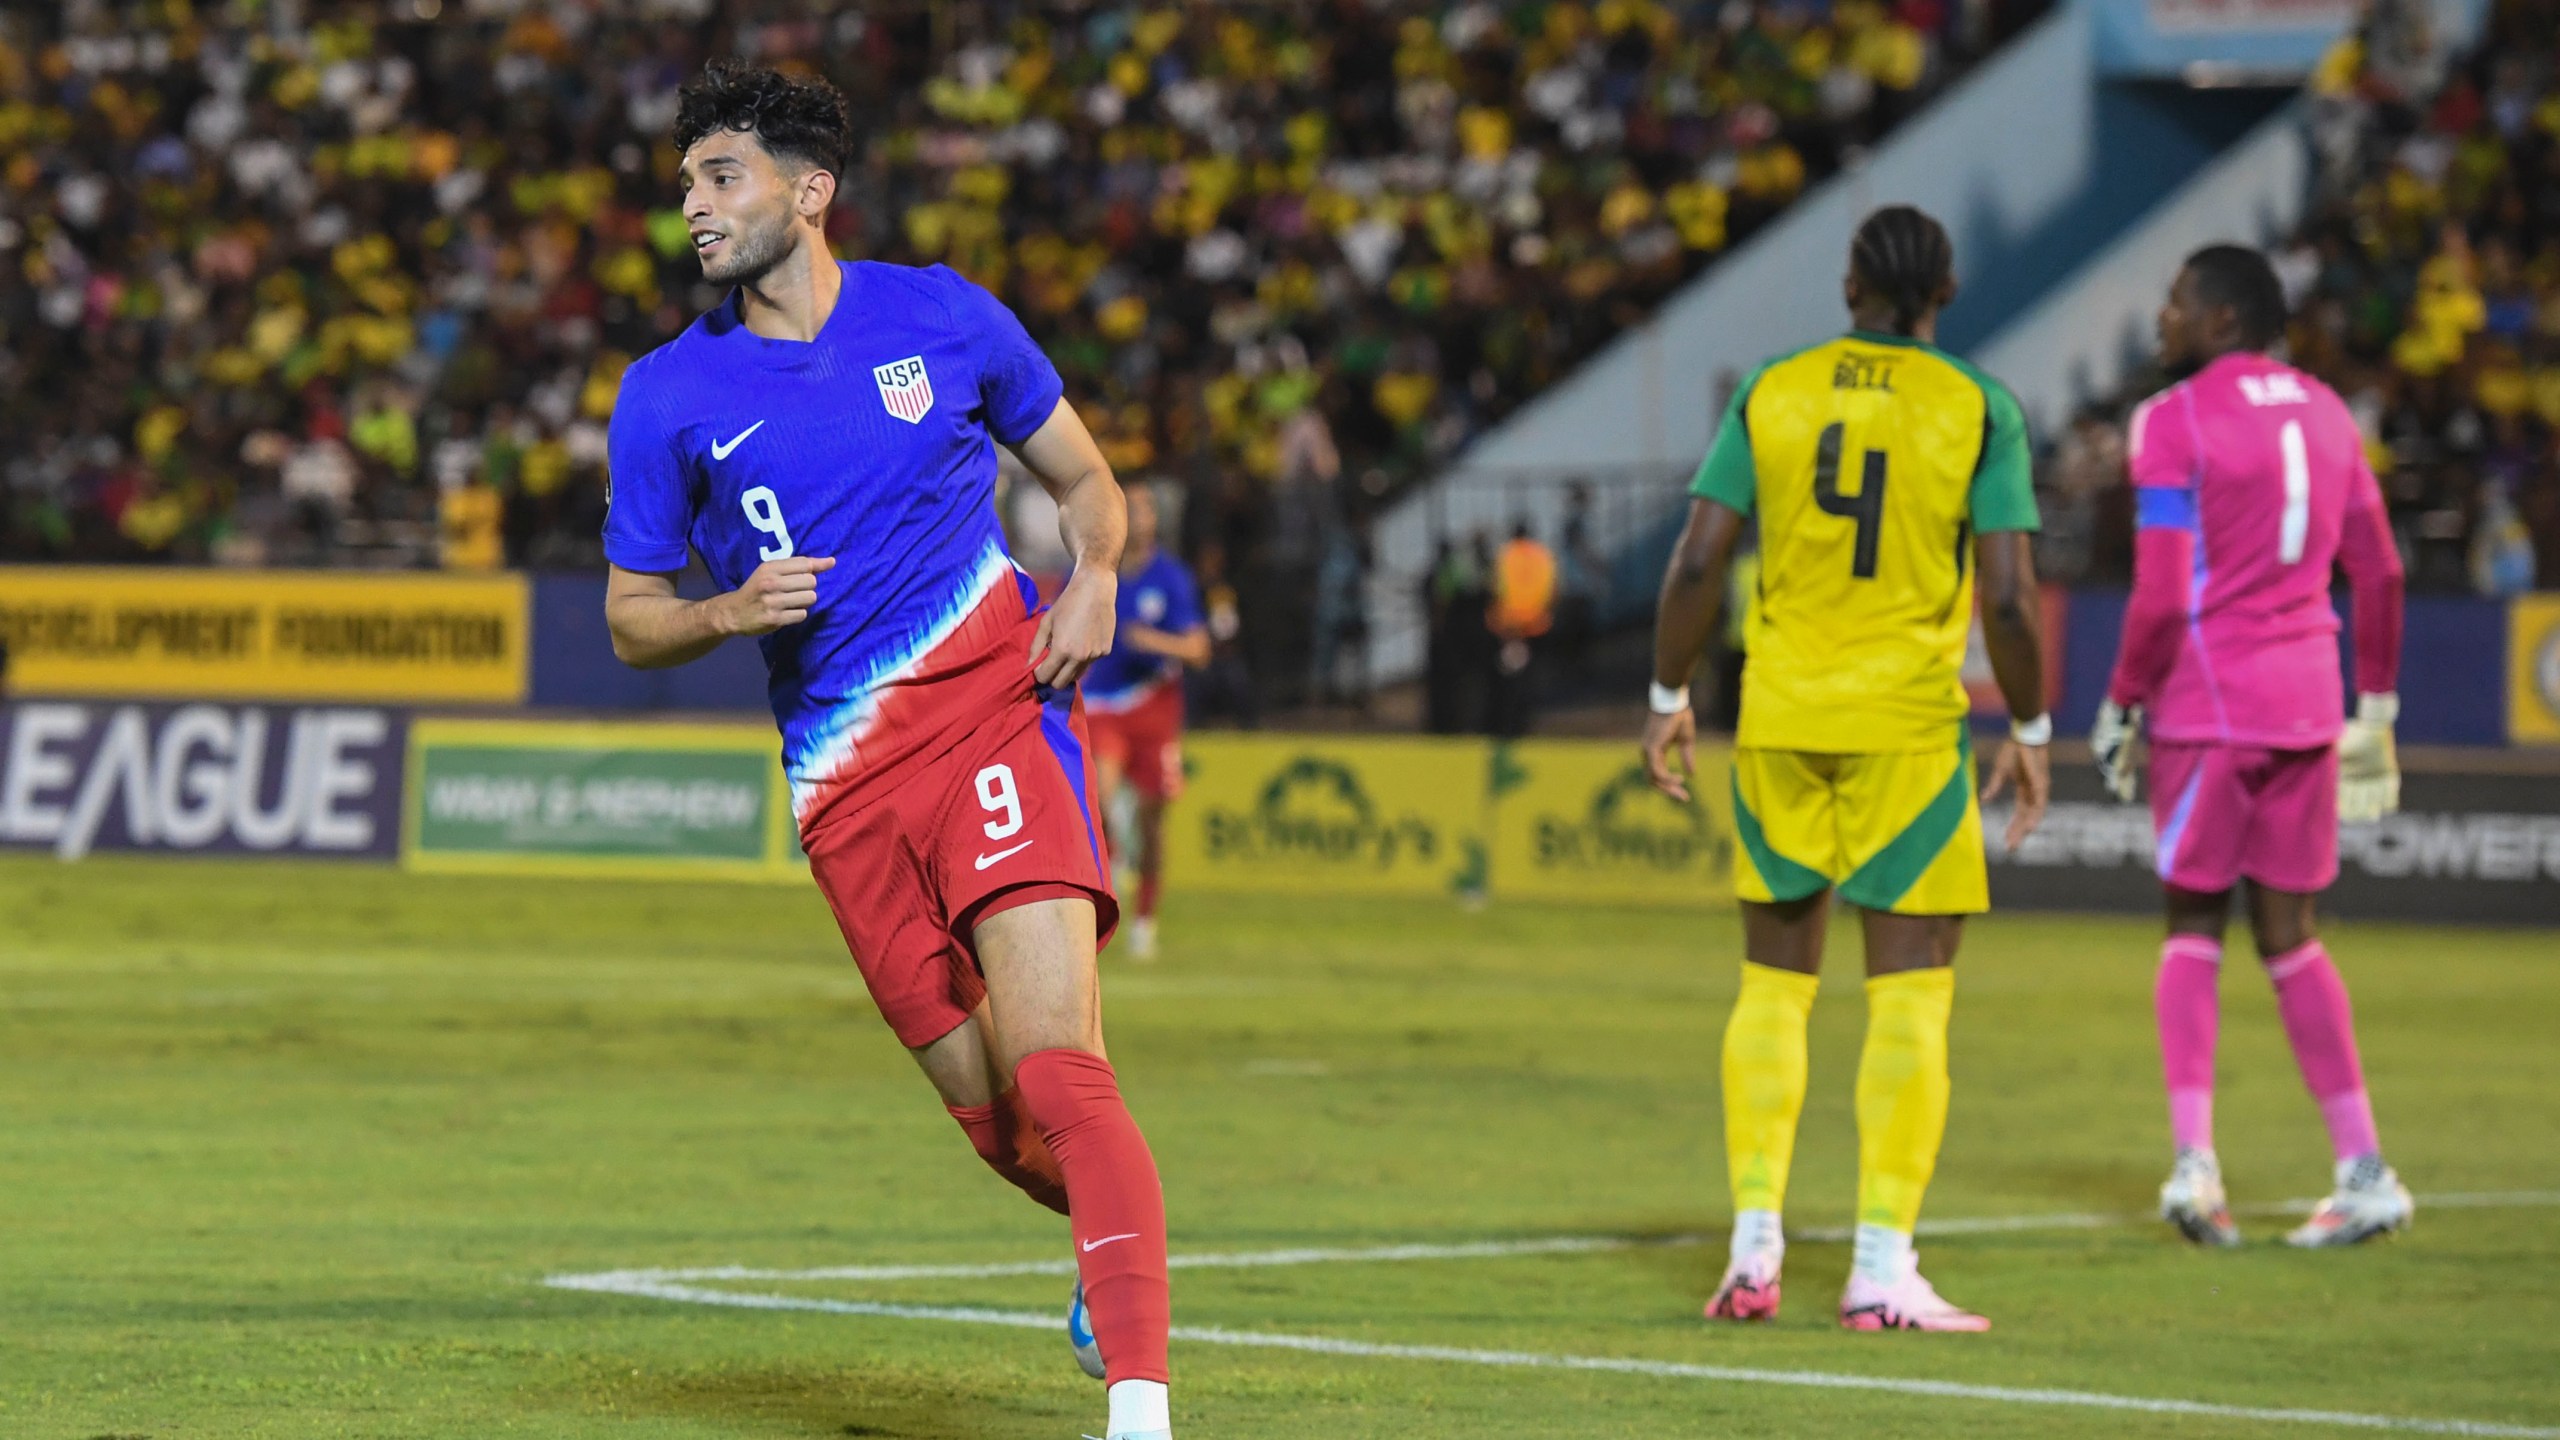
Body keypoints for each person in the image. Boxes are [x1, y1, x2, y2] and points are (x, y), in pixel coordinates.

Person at [596, 64, 1172, 1440]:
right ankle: (1107, 1238)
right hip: (845, 793)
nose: (693, 206)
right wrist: (724, 611)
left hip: (995, 714)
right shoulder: (667, 395)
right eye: (684, 183)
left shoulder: (945, 318)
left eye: (719, 177)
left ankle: (1143, 1408)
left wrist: (1094, 577)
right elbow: (628, 618)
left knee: (1055, 1064)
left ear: (810, 193)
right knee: (1002, 1132)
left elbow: (1090, 486)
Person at [1641, 205, 2051, 1332]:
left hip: (1779, 714)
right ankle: (1878, 1267)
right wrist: (2032, 725)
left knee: (1774, 982)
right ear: (1945, 291)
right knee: (1910, 984)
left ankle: (1753, 1249)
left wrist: (1670, 698)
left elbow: (1695, 562)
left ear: (1850, 286)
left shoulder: (1773, 389)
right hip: (1909, 728)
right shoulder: (1978, 407)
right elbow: (2011, 597)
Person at [2091, 244, 2410, 1251]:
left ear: (2222, 319)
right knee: (2292, 937)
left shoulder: (2171, 421)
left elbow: (2157, 590)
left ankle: (2194, 1169)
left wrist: (2120, 700)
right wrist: (2377, 709)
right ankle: (2364, 1172)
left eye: (2177, 302)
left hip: (2209, 703)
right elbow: (2383, 573)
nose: (2162, 319)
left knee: (2191, 924)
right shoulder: (2328, 412)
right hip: (2309, 703)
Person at [1084, 483, 1209, 961]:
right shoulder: (1097, 570)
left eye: (1144, 508)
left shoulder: (1171, 578)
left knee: (1156, 821)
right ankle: (1114, 858)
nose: (1138, 517)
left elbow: (1197, 649)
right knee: (1100, 794)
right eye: (1129, 508)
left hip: (1154, 708)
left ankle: (1145, 920)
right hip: (1103, 703)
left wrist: (1150, 641)